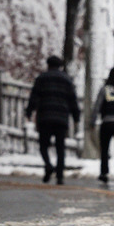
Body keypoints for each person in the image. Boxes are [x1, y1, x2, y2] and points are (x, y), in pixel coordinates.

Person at [24, 55, 80, 184]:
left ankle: (48, 165)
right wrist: (76, 116)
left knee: (43, 145)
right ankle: (60, 176)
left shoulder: (41, 79)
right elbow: (72, 99)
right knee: (60, 148)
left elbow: (34, 96)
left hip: (45, 116)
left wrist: (29, 111)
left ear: (48, 65)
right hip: (61, 118)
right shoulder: (67, 80)